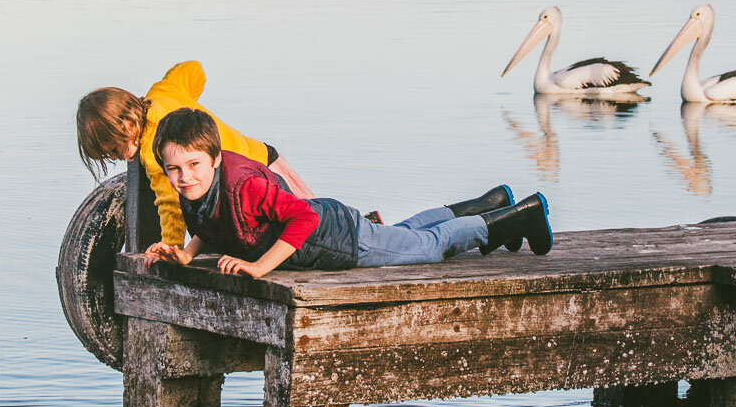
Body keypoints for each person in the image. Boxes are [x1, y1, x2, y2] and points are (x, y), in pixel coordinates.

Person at [135, 108, 552, 279]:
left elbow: (304, 219)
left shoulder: (245, 184)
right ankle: (494, 202)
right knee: (407, 232)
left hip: (341, 239)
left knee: (430, 247)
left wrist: (260, 267)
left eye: (193, 166)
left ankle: (523, 215)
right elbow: (215, 220)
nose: (184, 177)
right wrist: (187, 254)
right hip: (339, 228)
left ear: (213, 158)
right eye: (174, 169)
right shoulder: (197, 190)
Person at [76, 61, 311, 247]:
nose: (118, 158)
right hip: (267, 158)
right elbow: (192, 68)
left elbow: (170, 204)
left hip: (250, 186)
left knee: (301, 235)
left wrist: (172, 246)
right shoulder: (162, 93)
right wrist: (188, 105)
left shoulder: (154, 149)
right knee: (311, 223)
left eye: (114, 149)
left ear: (127, 125)